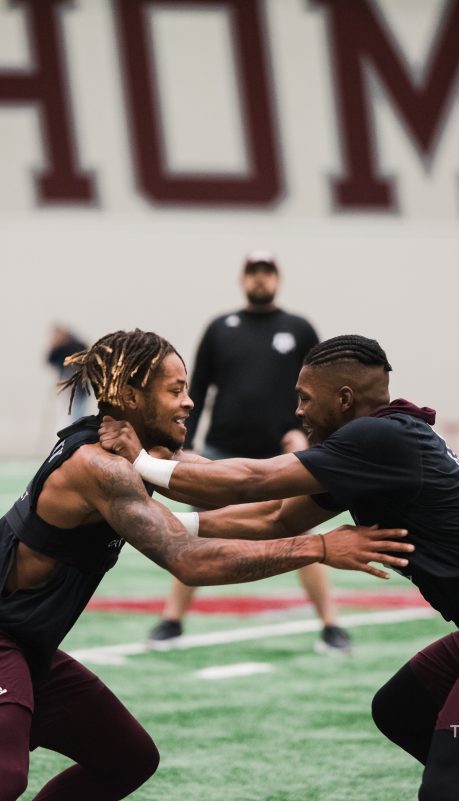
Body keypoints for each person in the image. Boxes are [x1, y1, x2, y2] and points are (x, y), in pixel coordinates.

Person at [0, 329, 412, 801]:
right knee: (0, 777)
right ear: (131, 397)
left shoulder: (141, 454)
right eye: (176, 390)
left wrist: (335, 485)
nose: (189, 402)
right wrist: (320, 548)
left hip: (25, 643)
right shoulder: (99, 465)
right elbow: (190, 561)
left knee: (126, 759)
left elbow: (246, 496)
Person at [100, 334, 459, 801]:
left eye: (305, 398)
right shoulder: (372, 448)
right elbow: (274, 516)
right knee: (403, 710)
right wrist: (163, 524)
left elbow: (250, 481)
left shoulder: (378, 438)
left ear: (345, 398)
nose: (297, 410)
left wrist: (140, 461)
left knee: (452, 785)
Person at [147, 250, 351, 654]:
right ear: (243, 279)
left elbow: (317, 390)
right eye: (254, 273)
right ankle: (172, 619)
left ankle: (331, 625)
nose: (261, 279)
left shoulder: (299, 328)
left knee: (300, 528)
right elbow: (197, 389)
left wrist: (304, 436)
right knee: (199, 527)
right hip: (222, 448)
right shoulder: (221, 328)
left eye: (267, 273)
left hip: (282, 452)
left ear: (277, 278)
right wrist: (179, 441)